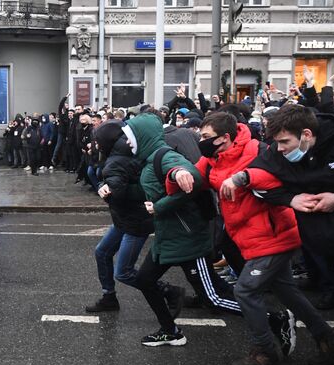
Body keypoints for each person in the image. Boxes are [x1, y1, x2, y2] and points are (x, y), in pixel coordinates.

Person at [173, 111, 334, 365]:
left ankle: (264, 352)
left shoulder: (256, 149)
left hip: (274, 236)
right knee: (287, 291)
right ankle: (327, 337)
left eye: (205, 137)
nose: (200, 141)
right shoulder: (212, 158)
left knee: (245, 291)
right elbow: (192, 179)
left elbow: (271, 175)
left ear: (224, 137)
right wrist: (177, 172)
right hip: (252, 237)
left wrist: (243, 178)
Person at [125, 113, 293, 349]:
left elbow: (185, 171)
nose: (127, 142)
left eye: (129, 137)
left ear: (142, 137)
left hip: (188, 239)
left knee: (212, 299)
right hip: (168, 238)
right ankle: (170, 331)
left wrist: (179, 175)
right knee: (144, 280)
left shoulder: (165, 155)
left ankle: (274, 317)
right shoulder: (148, 158)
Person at [247, 105, 334, 344]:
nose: (279, 149)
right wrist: (289, 199)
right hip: (324, 244)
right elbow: (256, 178)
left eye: (284, 142)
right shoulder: (277, 153)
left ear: (307, 135)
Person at [85, 120, 184, 315]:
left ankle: (170, 292)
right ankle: (109, 297)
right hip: (125, 218)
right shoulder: (123, 153)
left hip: (135, 222)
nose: (93, 145)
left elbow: (129, 192)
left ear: (106, 142)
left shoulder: (116, 161)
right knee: (102, 253)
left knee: (123, 272)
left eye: (96, 141)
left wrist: (108, 192)